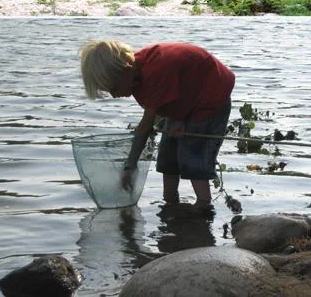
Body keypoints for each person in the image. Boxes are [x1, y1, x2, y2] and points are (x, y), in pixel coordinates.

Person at [79, 40, 235, 208]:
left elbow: (146, 125)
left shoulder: (155, 71)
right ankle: (170, 201)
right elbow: (160, 106)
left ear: (126, 70)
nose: (114, 95)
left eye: (114, 88)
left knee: (194, 154)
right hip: (184, 98)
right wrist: (179, 119)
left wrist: (130, 165)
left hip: (211, 98)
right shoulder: (137, 78)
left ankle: (203, 205)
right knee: (168, 156)